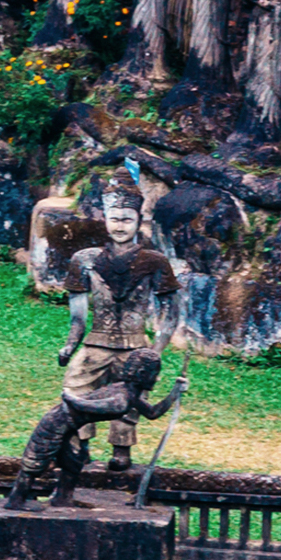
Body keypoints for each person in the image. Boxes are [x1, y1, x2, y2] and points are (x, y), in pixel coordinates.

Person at [59, 167, 179, 473]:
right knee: (76, 388)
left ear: (139, 220)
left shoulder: (154, 262)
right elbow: (77, 316)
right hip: (95, 342)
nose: (120, 225)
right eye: (115, 218)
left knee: (128, 400)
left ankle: (121, 449)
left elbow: (171, 312)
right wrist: (70, 345)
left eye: (127, 218)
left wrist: (156, 351)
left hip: (135, 346)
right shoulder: (85, 260)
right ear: (105, 219)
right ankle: (79, 443)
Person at [6, 349, 187, 508]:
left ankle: (62, 498)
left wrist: (175, 392)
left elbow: (152, 412)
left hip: (70, 426)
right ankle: (15, 500)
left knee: (74, 462)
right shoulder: (121, 401)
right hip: (56, 422)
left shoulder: (128, 395)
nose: (157, 378)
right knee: (35, 463)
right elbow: (86, 406)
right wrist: (69, 397)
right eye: (155, 374)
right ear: (142, 374)